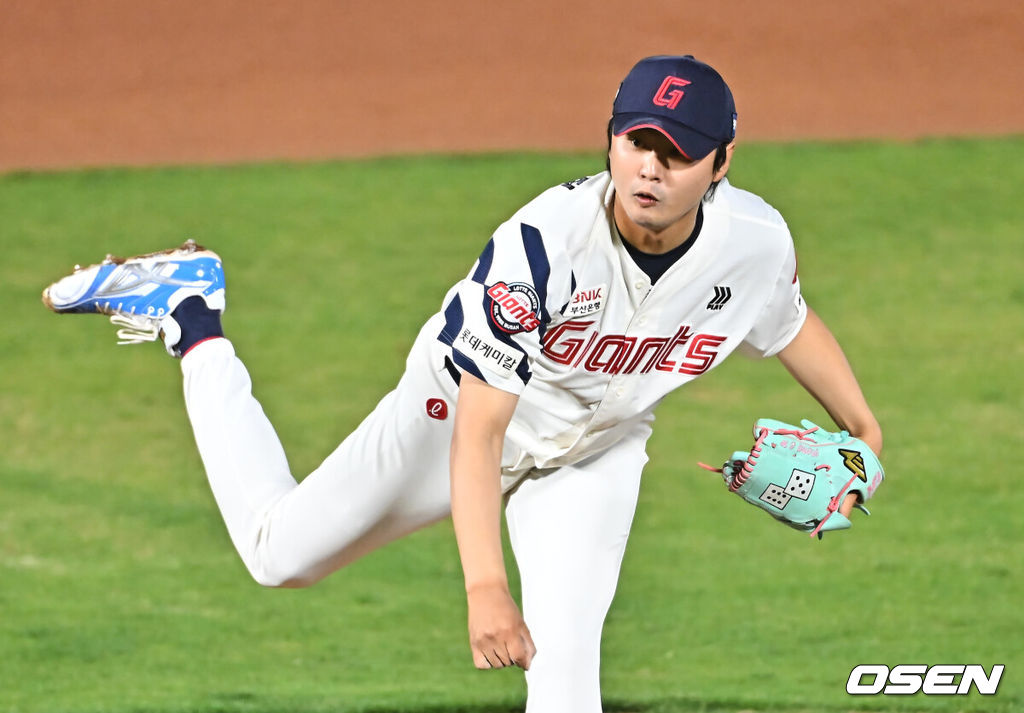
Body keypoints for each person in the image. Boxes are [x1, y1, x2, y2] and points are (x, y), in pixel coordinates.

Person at [42, 55, 883, 712]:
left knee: (566, 671)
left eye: (677, 153)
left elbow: (788, 321)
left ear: (722, 162)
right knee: (278, 555)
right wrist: (486, 587)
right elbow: (481, 431)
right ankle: (192, 316)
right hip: (452, 416)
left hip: (595, 451)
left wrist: (865, 435)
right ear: (611, 141)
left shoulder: (754, 243)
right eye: (637, 142)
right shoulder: (543, 247)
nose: (650, 170)